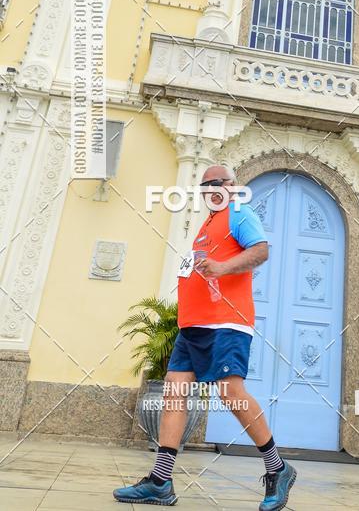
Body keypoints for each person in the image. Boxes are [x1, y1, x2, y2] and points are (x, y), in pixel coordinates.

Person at [113, 164, 297, 510]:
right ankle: (161, 481)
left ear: (232, 186)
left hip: (227, 322)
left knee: (231, 392)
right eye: (206, 185)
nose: (212, 189)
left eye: (218, 183)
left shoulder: (238, 213)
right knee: (174, 390)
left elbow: (261, 250)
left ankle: (278, 468)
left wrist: (223, 267)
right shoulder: (206, 226)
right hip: (193, 326)